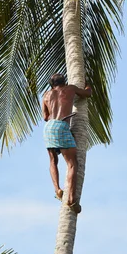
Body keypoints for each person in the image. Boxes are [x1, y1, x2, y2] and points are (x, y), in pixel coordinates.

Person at [42, 73, 92, 213]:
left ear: (52, 85)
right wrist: (88, 84)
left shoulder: (46, 95)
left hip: (49, 127)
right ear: (64, 81)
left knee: (53, 160)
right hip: (61, 126)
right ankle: (71, 199)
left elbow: (45, 116)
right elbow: (87, 93)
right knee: (72, 164)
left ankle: (57, 189)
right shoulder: (70, 89)